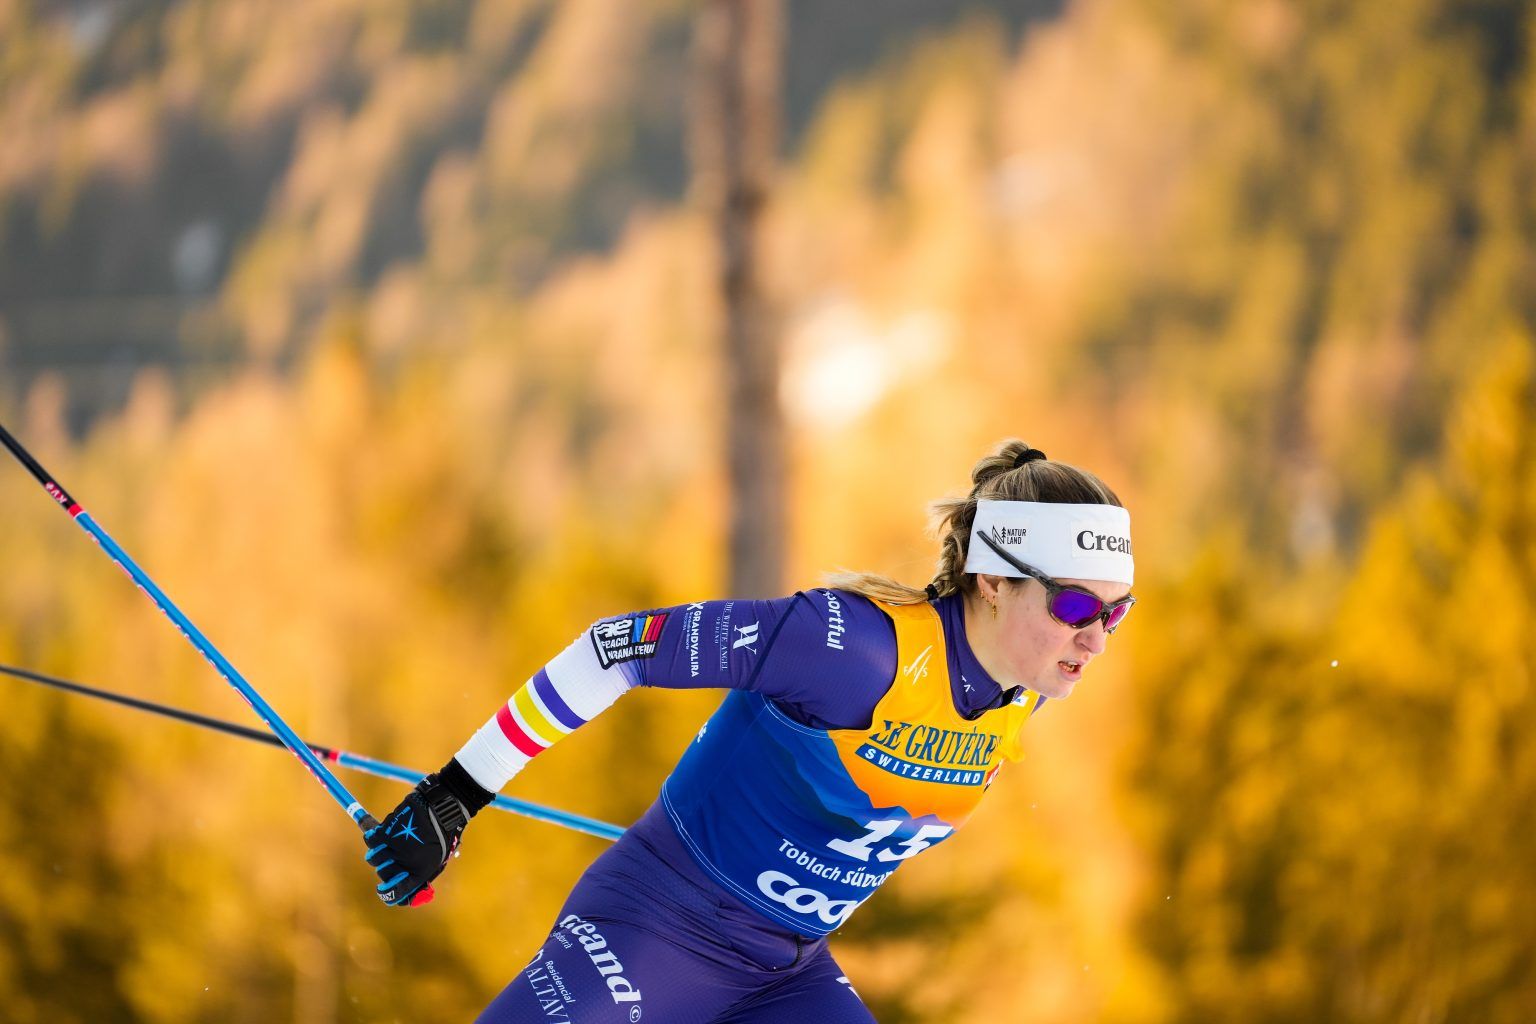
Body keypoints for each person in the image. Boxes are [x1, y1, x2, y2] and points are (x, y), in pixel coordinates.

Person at [363, 439, 1135, 1022]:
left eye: (1115, 611)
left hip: (784, 975)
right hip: (656, 931)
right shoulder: (856, 649)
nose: (1095, 639)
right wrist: (454, 797)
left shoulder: (1018, 694)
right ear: (993, 581)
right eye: (1074, 607)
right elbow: (616, 648)